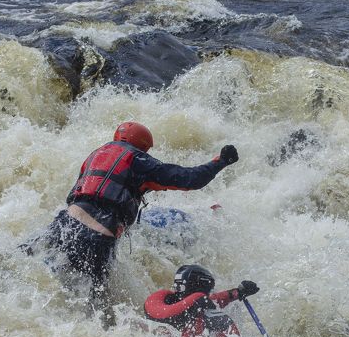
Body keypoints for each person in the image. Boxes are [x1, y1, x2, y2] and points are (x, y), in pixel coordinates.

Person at [37, 121, 239, 320]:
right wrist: (220, 161)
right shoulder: (138, 160)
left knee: (47, 285)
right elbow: (189, 178)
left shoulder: (96, 155)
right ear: (142, 147)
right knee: (96, 312)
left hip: (62, 226)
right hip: (95, 239)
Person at [144, 264, 259, 337]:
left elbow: (213, 299)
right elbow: (206, 301)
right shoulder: (197, 306)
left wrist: (238, 292)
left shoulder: (168, 302)